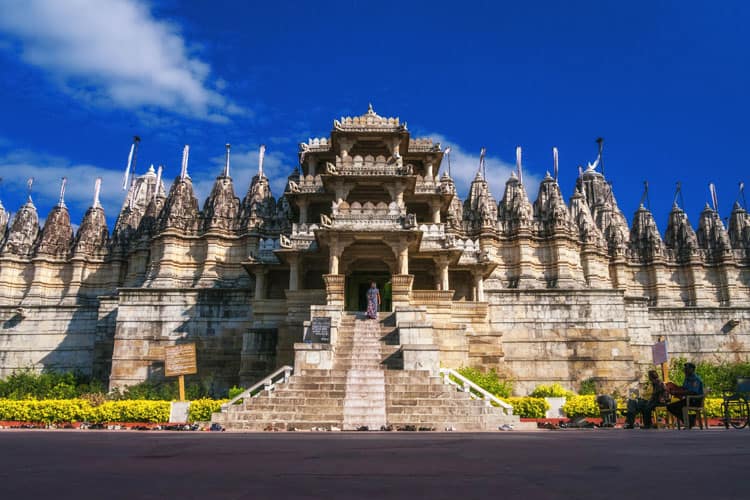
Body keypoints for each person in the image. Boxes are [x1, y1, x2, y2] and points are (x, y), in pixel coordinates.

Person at [666, 362, 704, 427]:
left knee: (673, 407)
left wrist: (677, 392)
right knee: (670, 406)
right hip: (688, 400)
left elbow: (693, 392)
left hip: (695, 400)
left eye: (687, 369)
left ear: (692, 369)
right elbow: (684, 388)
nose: (685, 371)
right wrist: (674, 389)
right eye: (685, 369)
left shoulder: (696, 379)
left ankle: (689, 420)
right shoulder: (687, 379)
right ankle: (690, 419)